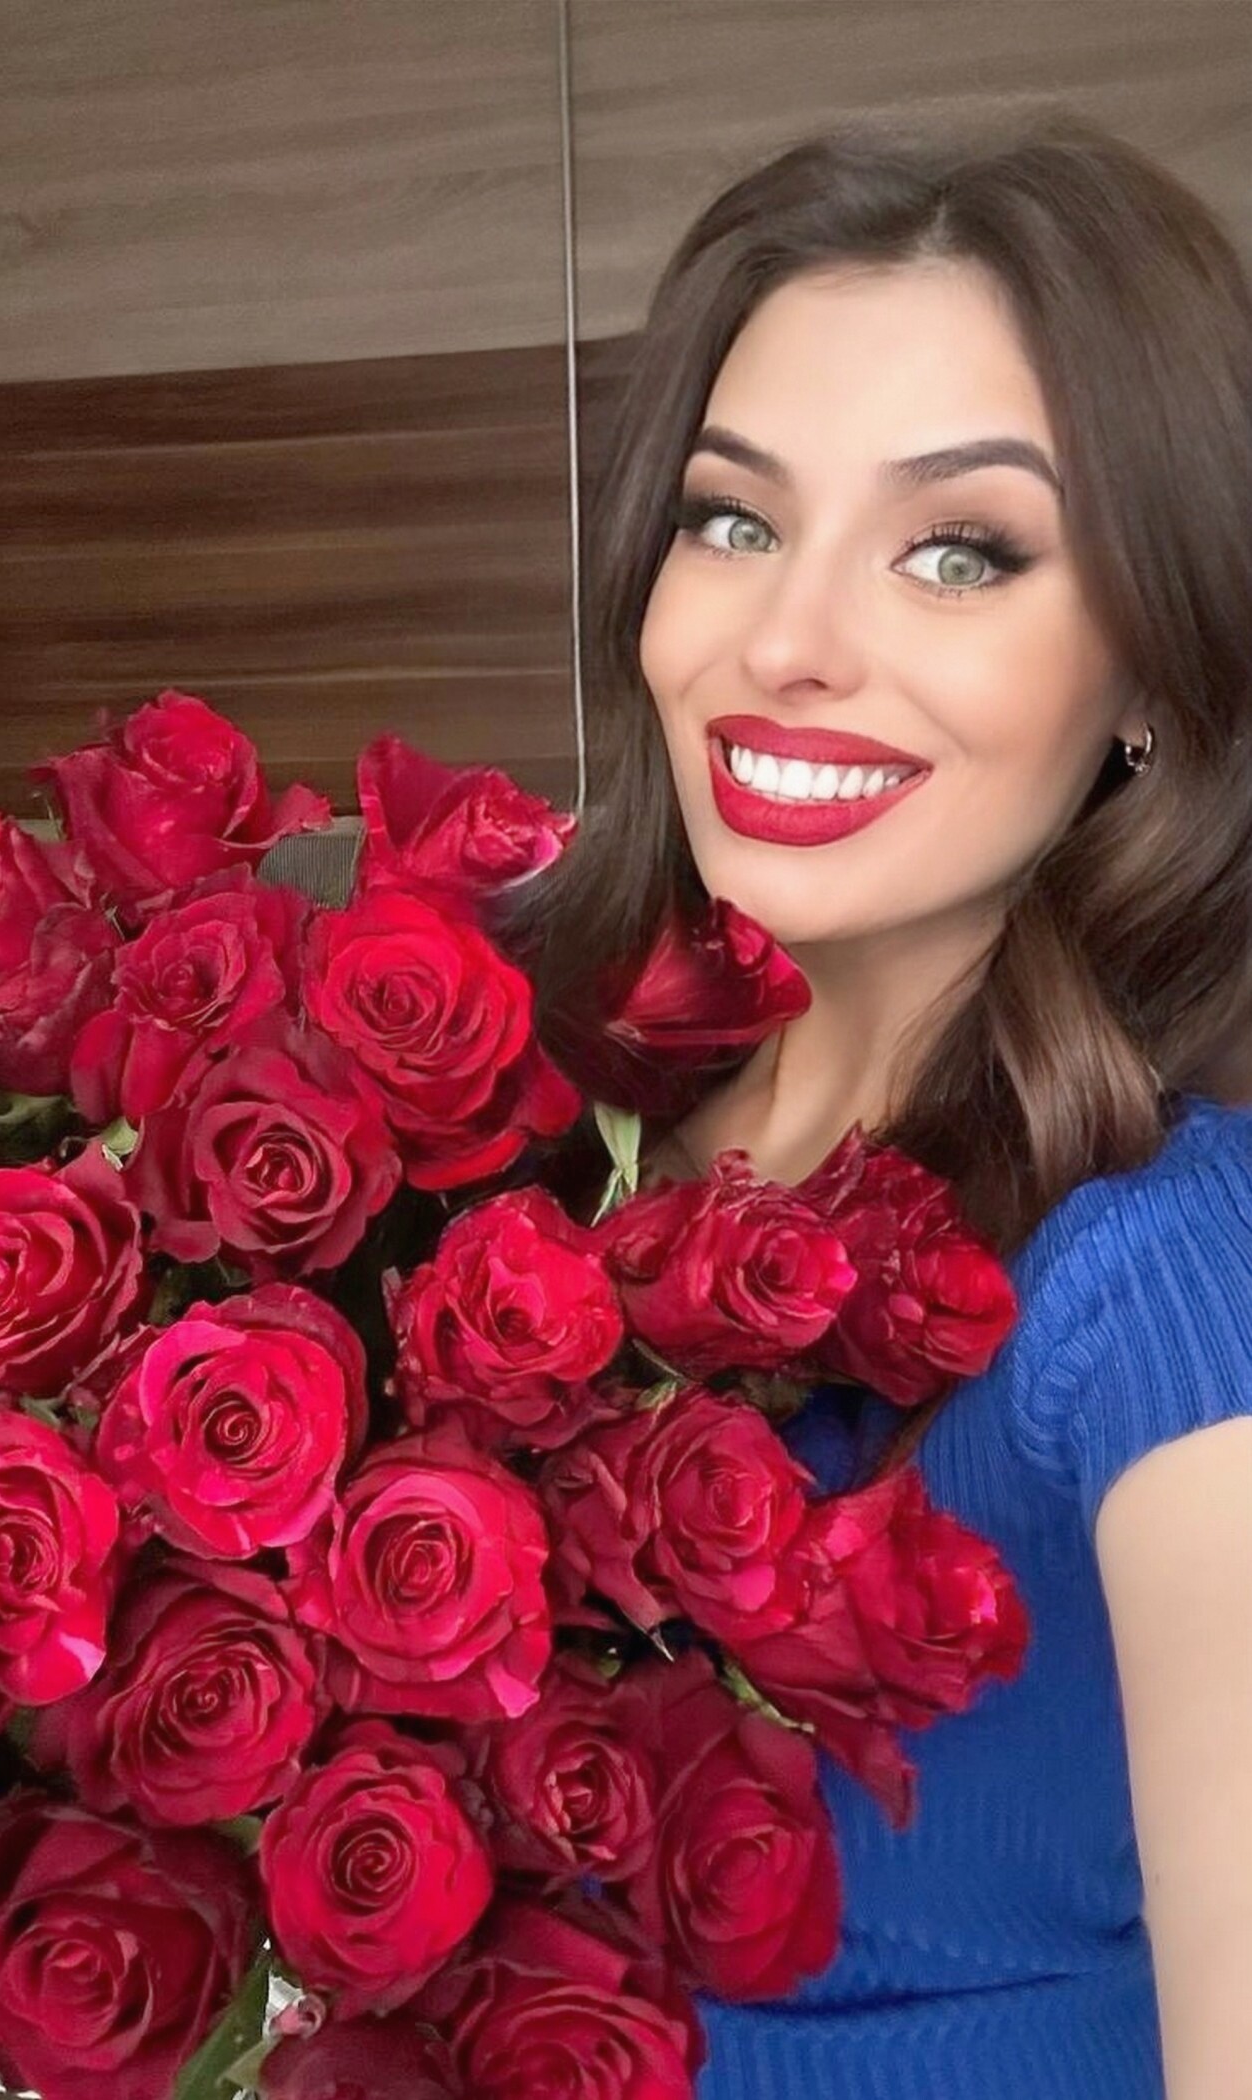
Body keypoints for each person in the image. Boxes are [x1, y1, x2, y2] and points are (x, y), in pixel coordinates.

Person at [512, 117, 1252, 2098]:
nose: (785, 644)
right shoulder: (529, 1143)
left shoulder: (1174, 1291)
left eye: (958, 552)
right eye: (732, 520)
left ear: (1151, 674)